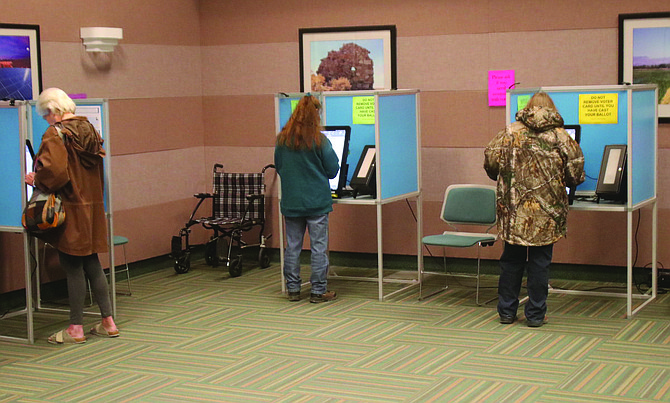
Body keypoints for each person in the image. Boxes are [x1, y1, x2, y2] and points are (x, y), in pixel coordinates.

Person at [25, 88, 119, 343]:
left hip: (69, 209)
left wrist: (36, 179)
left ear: (54, 111)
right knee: (92, 263)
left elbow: (55, 174)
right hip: (92, 207)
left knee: (72, 266)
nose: (46, 120)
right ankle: (108, 322)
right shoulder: (90, 130)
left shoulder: (55, 133)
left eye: (46, 115)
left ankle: (75, 328)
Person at [484, 91, 584, 327]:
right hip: (547, 214)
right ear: (551, 109)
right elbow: (576, 174)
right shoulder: (561, 137)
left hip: (514, 211)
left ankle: (507, 312)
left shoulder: (509, 132)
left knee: (511, 261)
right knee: (540, 263)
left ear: (528, 108)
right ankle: (536, 315)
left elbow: (490, 162)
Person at [274, 94, 340, 303]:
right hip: (316, 202)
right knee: (318, 246)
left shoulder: (282, 140)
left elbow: (280, 167)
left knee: (292, 245)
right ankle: (318, 291)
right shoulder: (319, 140)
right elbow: (332, 170)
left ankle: (293, 289)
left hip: (292, 201)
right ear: (315, 115)